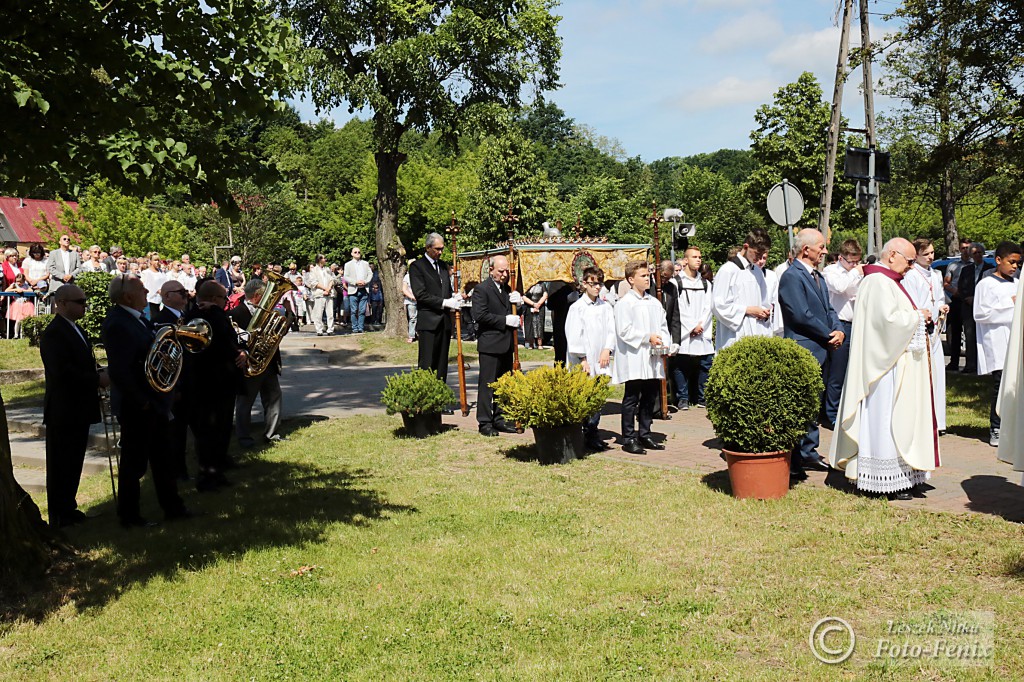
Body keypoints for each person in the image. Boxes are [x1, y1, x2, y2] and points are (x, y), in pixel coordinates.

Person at [828, 238, 940, 501]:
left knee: (899, 418)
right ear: (892, 255)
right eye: (909, 261)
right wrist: (917, 316)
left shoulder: (888, 282)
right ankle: (884, 481)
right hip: (881, 372)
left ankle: (903, 477)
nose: (911, 267)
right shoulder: (877, 282)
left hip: (894, 364)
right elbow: (885, 325)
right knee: (885, 420)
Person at [102, 274, 191, 526]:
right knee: (134, 464)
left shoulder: (138, 319)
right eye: (142, 290)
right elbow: (120, 370)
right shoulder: (118, 322)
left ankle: (173, 508)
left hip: (154, 401)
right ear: (128, 296)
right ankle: (129, 516)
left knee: (163, 459)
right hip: (138, 405)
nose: (146, 293)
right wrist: (142, 401)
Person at [778, 229, 844, 480]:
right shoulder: (791, 277)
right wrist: (829, 334)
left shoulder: (819, 277)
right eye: (821, 247)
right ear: (806, 249)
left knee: (814, 403)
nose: (826, 251)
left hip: (822, 348)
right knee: (800, 405)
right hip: (804, 347)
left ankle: (809, 451)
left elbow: (829, 308)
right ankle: (795, 459)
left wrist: (838, 330)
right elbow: (800, 314)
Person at [40, 285, 108, 528]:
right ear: (62, 303)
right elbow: (61, 372)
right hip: (63, 409)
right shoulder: (54, 333)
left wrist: (97, 373)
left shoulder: (76, 329)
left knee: (73, 460)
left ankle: (69, 507)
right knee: (60, 463)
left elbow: (81, 364)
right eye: (79, 301)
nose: (84, 305)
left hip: (78, 407)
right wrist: (96, 379)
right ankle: (59, 514)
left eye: (84, 301)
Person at [190, 281, 249, 491]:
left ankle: (218, 468)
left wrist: (242, 352)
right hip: (210, 382)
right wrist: (217, 312)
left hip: (223, 381)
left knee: (222, 429)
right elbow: (222, 336)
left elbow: (230, 339)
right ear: (214, 299)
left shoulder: (213, 312)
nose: (227, 302)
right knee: (209, 432)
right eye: (224, 298)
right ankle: (208, 476)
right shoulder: (204, 314)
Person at [613, 259, 671, 455]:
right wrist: (647, 337)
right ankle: (628, 437)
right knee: (632, 397)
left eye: (649, 275)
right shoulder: (625, 303)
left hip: (652, 357)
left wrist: (665, 342)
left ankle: (645, 433)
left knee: (649, 396)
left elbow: (663, 325)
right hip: (635, 357)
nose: (648, 279)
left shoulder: (654, 302)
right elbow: (624, 331)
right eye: (643, 276)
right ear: (631, 279)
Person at [973, 241, 1022, 446]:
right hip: (998, 341)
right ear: (998, 260)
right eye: (1011, 262)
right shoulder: (986, 284)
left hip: (1015, 340)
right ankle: (996, 427)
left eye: (1018, 264)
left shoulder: (1017, 283)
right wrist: (1010, 304)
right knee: (1000, 385)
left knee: (1014, 385)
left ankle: (1013, 427)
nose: (1015, 267)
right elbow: (980, 313)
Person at [565, 266, 615, 451]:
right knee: (585, 397)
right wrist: (583, 358)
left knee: (598, 397)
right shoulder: (577, 308)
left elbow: (611, 330)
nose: (597, 287)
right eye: (593, 284)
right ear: (584, 284)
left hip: (601, 358)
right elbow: (573, 335)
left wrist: (607, 349)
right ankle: (585, 433)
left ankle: (594, 432)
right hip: (584, 360)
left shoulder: (605, 307)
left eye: (600, 284)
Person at [231, 279, 285, 447]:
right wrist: (243, 351)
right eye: (265, 296)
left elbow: (274, 334)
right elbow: (232, 339)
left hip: (268, 361)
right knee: (245, 402)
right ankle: (244, 437)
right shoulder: (236, 313)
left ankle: (272, 433)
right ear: (256, 296)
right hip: (249, 364)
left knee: (273, 397)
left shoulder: (268, 312)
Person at [472, 255, 521, 436]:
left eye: (506, 270)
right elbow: (480, 315)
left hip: (506, 344)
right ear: (491, 269)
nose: (504, 274)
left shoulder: (508, 289)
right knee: (488, 385)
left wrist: (519, 304)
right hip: (490, 344)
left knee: (503, 384)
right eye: (501, 271)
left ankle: (500, 418)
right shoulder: (482, 289)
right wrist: (505, 320)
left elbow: (514, 313)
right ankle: (484, 422)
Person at [904, 238, 950, 435]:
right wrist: (924, 312)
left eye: (932, 253)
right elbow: (912, 301)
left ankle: (938, 421)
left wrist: (941, 307)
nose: (931, 257)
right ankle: (924, 420)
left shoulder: (936, 274)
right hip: (921, 328)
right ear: (916, 256)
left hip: (934, 329)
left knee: (938, 374)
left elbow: (938, 296)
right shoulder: (911, 275)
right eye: (927, 254)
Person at [152, 280, 196, 480]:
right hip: (178, 384)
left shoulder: (185, 316)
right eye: (180, 292)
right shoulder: (162, 320)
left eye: (185, 291)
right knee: (177, 432)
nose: (185, 294)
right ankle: (179, 472)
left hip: (190, 381)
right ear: (167, 296)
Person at [821, 239, 864, 427]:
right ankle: (831, 414)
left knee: (850, 371)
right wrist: (855, 272)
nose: (854, 265)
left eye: (857, 261)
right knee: (836, 372)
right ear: (841, 258)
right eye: (850, 261)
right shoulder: (831, 271)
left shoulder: (856, 274)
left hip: (857, 323)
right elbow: (839, 287)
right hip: (839, 324)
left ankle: (845, 410)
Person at [409, 233, 461, 385]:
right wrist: (445, 302)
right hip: (429, 322)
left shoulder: (444, 266)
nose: (440, 252)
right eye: (437, 249)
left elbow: (446, 290)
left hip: (444, 322)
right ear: (428, 247)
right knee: (427, 363)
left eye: (442, 249)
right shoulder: (417, 267)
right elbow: (421, 295)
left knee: (441, 363)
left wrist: (455, 297)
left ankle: (440, 398)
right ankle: (426, 401)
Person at [711, 228, 774, 350]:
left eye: (763, 255)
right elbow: (718, 305)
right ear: (746, 247)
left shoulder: (758, 273)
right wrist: (747, 310)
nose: (760, 258)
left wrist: (765, 312)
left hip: (757, 332)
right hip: (734, 335)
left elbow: (765, 302)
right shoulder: (728, 270)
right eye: (757, 254)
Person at [674, 247, 714, 410]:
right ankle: (682, 398)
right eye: (694, 257)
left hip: (701, 329)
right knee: (681, 363)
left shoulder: (706, 284)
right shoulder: (676, 282)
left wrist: (701, 325)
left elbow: (708, 307)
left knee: (706, 362)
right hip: (686, 329)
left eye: (699, 257)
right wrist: (691, 326)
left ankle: (702, 396)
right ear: (686, 260)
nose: (698, 260)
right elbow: (678, 308)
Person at [958, 242, 993, 374]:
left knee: (984, 336)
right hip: (968, 308)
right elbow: (960, 288)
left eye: (979, 252)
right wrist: (968, 298)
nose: (977, 255)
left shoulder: (990, 269)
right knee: (970, 336)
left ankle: (984, 366)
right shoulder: (966, 270)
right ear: (971, 255)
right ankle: (970, 365)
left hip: (984, 308)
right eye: (975, 253)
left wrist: (977, 299)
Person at [943, 237, 972, 371]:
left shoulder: (975, 265)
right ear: (959, 249)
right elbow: (946, 283)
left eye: (968, 248)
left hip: (970, 301)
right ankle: (954, 362)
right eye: (963, 248)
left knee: (970, 333)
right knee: (955, 333)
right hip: (956, 300)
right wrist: (954, 291)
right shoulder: (953, 265)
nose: (966, 251)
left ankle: (971, 364)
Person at [658, 260, 683, 409]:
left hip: (666, 331)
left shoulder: (672, 288)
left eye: (668, 277)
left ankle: (666, 403)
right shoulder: (650, 286)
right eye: (663, 277)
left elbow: (675, 315)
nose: (665, 280)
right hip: (653, 334)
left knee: (666, 371)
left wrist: (676, 340)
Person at [344, 246, 373, 333]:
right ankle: (354, 328)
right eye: (355, 252)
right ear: (352, 254)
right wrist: (355, 282)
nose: (357, 253)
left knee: (362, 310)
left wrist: (365, 281)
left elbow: (370, 274)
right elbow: (346, 276)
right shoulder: (348, 264)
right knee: (353, 310)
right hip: (353, 289)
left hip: (364, 289)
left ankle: (361, 327)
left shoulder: (365, 263)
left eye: (359, 252)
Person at [307, 254, 335, 336]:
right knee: (318, 313)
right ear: (319, 260)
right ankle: (319, 330)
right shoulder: (314, 270)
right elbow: (314, 282)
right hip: (319, 293)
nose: (325, 259)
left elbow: (332, 280)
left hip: (329, 293)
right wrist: (324, 288)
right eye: (323, 258)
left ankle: (330, 329)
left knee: (330, 313)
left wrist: (328, 288)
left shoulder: (327, 269)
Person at [522, 281, 548, 349]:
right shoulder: (527, 283)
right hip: (529, 306)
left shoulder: (542, 284)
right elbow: (524, 296)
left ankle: (540, 344)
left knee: (539, 325)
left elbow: (545, 295)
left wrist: (538, 304)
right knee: (530, 325)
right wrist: (533, 304)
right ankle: (531, 344)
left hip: (540, 306)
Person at [140, 254, 166, 319]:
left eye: (158, 260)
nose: (157, 262)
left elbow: (165, 282)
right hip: (151, 299)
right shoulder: (146, 272)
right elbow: (142, 284)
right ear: (151, 261)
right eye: (155, 260)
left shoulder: (161, 272)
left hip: (161, 299)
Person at [401, 265, 418, 343]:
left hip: (421, 300)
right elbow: (404, 289)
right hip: (411, 300)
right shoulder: (407, 277)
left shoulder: (420, 275)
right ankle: (411, 335)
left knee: (421, 317)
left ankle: (420, 333)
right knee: (412, 318)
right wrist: (412, 297)